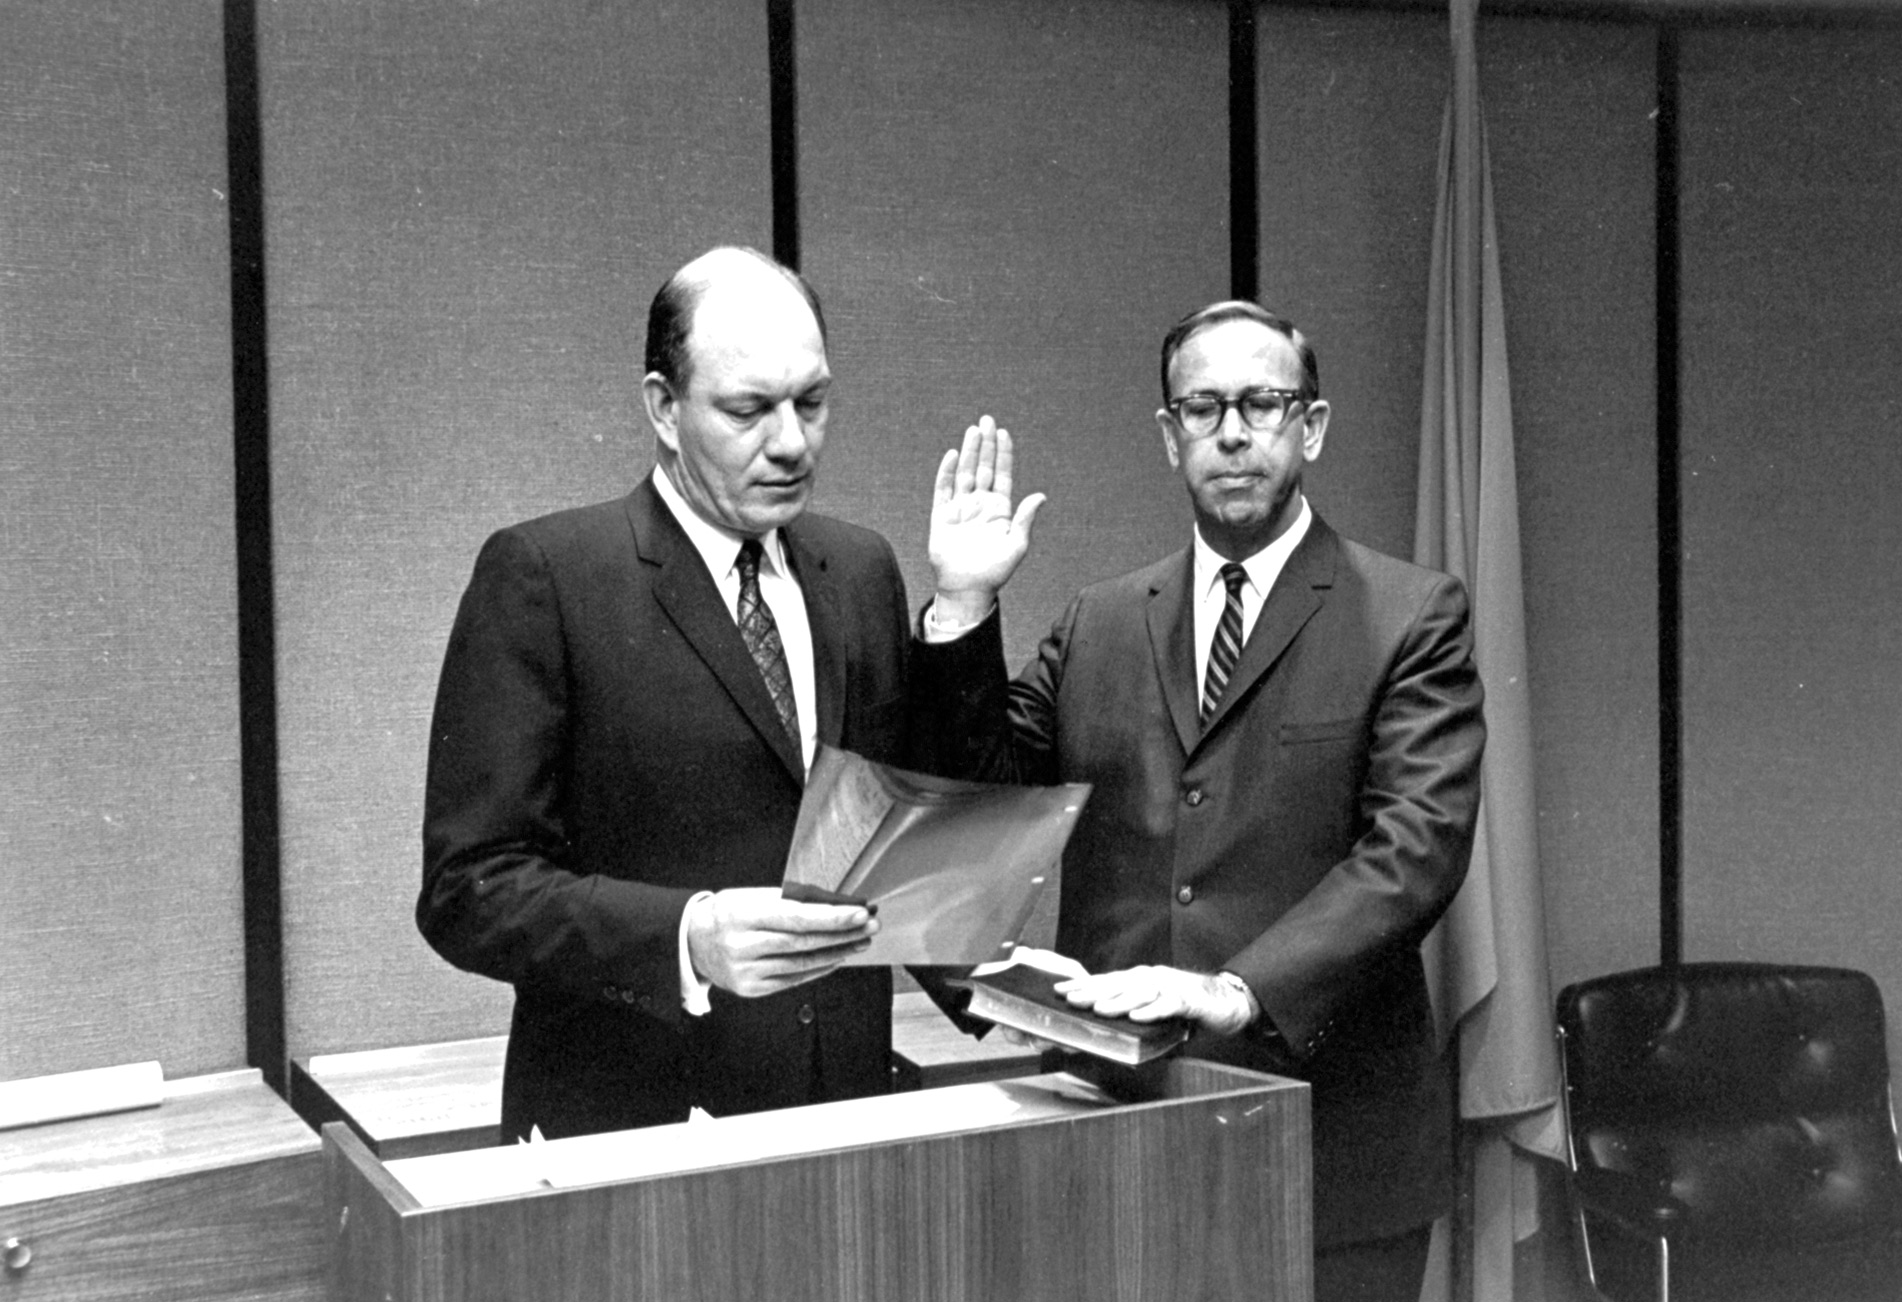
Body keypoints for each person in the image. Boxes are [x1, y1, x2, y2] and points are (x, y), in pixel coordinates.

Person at [918, 301, 1486, 1301]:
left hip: (1332, 1150)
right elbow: (984, 801)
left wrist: (1235, 992)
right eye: (1204, 407)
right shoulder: (1098, 621)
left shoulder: (1409, 616)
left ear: (1309, 427)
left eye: (1262, 404)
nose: (1233, 432)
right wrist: (964, 608)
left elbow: (1414, 851)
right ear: (1168, 434)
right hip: (1118, 1129)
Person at [417, 246, 1041, 1140]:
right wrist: (687, 938)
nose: (791, 442)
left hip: (843, 1116)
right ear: (664, 409)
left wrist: (963, 607)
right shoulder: (547, 576)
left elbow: (919, 843)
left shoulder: (860, 569)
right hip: (636, 1130)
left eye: (813, 403)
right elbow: (468, 889)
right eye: (748, 410)